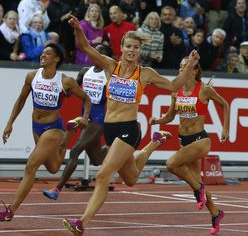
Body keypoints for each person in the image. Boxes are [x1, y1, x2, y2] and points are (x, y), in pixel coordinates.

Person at [62, 15, 200, 235]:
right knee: (131, 179)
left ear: (139, 51)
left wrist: (189, 66)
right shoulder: (110, 65)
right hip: (110, 129)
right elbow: (85, 47)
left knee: (102, 176)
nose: (132, 50)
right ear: (122, 47)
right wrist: (78, 28)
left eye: (136, 47)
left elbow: (174, 84)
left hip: (128, 129)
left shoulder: (145, 74)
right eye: (128, 46)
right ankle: (153, 145)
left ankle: (82, 223)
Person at [0, 43, 92, 222]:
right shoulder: (32, 76)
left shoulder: (65, 81)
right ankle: (69, 133)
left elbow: (86, 99)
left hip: (53, 128)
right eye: (42, 53)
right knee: (53, 168)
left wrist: (85, 117)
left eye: (47, 53)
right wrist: (10, 124)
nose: (42, 56)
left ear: (56, 59)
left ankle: (11, 210)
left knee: (31, 166)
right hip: (36, 126)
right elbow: (21, 100)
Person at [149, 58, 229, 234]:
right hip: (183, 140)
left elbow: (224, 104)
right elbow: (170, 116)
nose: (181, 69)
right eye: (180, 66)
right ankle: (216, 213)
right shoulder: (175, 91)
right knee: (196, 182)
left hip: (200, 139)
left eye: (186, 66)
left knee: (171, 164)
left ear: (194, 71)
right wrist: (158, 120)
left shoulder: (204, 90)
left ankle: (198, 190)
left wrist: (225, 128)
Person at [42, 44, 112, 200]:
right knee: (96, 160)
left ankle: (57, 189)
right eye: (96, 51)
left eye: (102, 53)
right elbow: (70, 90)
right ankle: (116, 150)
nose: (97, 55)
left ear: (107, 58)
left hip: (99, 119)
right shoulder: (84, 72)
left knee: (75, 151)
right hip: (85, 117)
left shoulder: (109, 75)